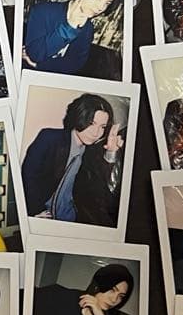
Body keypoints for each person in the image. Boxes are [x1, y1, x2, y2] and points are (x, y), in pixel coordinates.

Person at [21, 93, 123, 223]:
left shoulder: (92, 152)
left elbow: (100, 188)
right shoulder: (50, 138)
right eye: (91, 123)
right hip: (44, 215)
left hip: (73, 218)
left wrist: (111, 152)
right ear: (78, 117)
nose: (96, 132)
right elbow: (28, 175)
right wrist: (34, 212)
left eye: (102, 127)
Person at [22, 0, 121, 76]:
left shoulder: (88, 28)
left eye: (107, 3)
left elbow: (73, 65)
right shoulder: (42, 11)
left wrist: (41, 65)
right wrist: (69, 27)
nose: (101, 7)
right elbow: (35, 54)